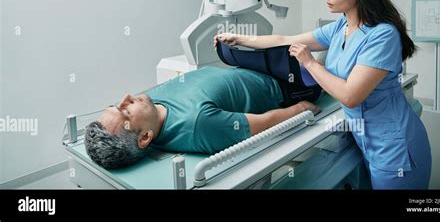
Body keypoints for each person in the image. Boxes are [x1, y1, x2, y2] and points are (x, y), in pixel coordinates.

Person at [214, 0, 432, 190]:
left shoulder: (382, 35)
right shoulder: (341, 26)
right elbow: (284, 39)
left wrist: (310, 63)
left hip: (394, 147)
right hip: (367, 140)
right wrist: (241, 39)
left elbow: (350, 95)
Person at [84, 66, 320, 169]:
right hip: (288, 82)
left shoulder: (150, 103)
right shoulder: (197, 125)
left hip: (249, 65)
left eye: (117, 104)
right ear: (145, 138)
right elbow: (264, 124)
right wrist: (300, 109)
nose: (126, 98)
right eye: (125, 111)